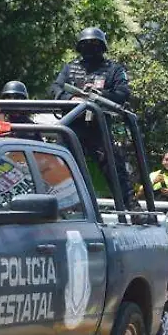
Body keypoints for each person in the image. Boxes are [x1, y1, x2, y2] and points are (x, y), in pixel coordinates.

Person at [50, 27, 134, 206]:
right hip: (72, 126)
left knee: (114, 165)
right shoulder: (70, 68)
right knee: (58, 163)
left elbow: (123, 92)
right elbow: (56, 88)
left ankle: (130, 205)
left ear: (102, 47)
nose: (90, 49)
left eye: (95, 45)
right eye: (86, 45)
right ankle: (60, 205)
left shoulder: (113, 70)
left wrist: (99, 94)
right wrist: (72, 98)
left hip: (99, 127)